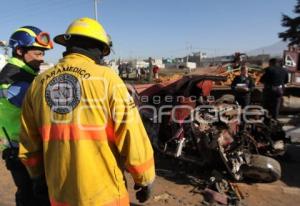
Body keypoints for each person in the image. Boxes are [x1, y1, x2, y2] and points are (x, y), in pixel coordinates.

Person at [18, 17, 155, 206]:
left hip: (59, 194)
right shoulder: (109, 80)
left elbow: (28, 141)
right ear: (99, 48)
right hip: (105, 195)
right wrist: (144, 178)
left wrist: (38, 177)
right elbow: (133, 136)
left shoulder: (38, 83)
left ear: (69, 45)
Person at [0, 26, 53, 206]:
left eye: (43, 54)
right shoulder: (15, 78)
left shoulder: (23, 75)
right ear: (20, 51)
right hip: (23, 150)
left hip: (22, 147)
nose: (42, 58)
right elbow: (43, 109)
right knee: (34, 198)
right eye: (38, 53)